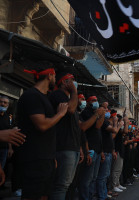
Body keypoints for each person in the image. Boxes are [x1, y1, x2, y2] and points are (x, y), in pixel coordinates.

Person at [18, 63, 68, 200]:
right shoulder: (32, 96)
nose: (55, 79)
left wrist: (51, 157)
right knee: (33, 195)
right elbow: (42, 125)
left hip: (46, 158)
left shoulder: (44, 97)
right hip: (35, 158)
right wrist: (60, 114)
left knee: (44, 195)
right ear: (50, 75)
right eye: (54, 76)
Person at [49, 72, 80, 200]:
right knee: (61, 186)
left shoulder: (68, 98)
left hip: (72, 148)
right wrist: (74, 91)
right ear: (63, 82)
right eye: (71, 80)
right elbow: (71, 109)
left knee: (66, 185)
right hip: (63, 147)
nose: (74, 83)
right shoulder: (58, 95)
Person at [78, 96, 105, 200]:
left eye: (97, 100)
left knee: (93, 177)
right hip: (90, 149)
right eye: (93, 101)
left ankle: (90, 196)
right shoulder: (86, 113)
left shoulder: (96, 113)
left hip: (97, 150)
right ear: (88, 102)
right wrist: (87, 150)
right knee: (86, 179)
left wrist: (101, 114)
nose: (96, 102)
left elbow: (98, 127)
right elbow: (84, 129)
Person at [96, 106, 119, 200]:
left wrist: (112, 150)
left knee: (105, 175)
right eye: (105, 110)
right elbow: (114, 130)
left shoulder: (106, 122)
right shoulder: (104, 122)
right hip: (104, 152)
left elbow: (111, 137)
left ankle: (104, 194)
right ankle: (101, 196)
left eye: (108, 110)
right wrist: (117, 123)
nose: (107, 111)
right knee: (102, 176)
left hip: (108, 151)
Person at [0, 95, 11, 171]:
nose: (3, 104)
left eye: (5, 102)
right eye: (1, 102)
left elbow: (9, 133)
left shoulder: (8, 117)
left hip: (4, 149)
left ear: (8, 105)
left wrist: (10, 148)